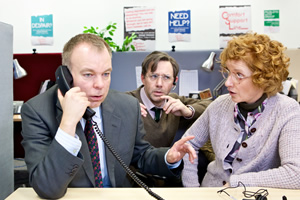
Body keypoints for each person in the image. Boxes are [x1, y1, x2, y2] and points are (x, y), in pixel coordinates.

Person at [21, 33, 196, 199]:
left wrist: (169, 157)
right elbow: (47, 188)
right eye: (88, 74)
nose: (100, 85)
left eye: (106, 74)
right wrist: (68, 122)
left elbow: (141, 155)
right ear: (66, 76)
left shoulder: (127, 105)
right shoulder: (37, 111)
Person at [182, 32, 300, 189]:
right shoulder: (220, 105)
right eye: (228, 72)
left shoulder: (287, 110)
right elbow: (186, 145)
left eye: (239, 74)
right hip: (210, 193)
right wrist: (192, 192)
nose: (228, 82)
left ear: (262, 78)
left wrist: (237, 182)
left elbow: (295, 175)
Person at [126, 51, 213, 186]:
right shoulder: (126, 102)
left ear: (174, 82)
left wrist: (187, 111)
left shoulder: (174, 102)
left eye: (166, 77)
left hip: (164, 172)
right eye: (153, 76)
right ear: (143, 78)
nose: (159, 83)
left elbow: (211, 105)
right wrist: (124, 108)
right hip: (133, 179)